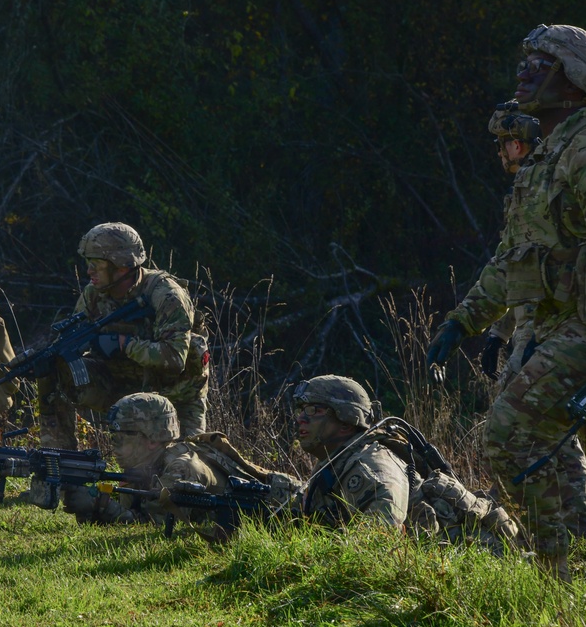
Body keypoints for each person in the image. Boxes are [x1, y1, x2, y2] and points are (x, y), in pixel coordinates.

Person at [427, 24, 586, 590]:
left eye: (543, 62)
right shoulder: (545, 159)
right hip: (582, 330)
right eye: (525, 59)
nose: (525, 71)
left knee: (508, 433)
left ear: (576, 79)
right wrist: (463, 320)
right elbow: (514, 260)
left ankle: (558, 575)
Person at [481, 109, 586, 543]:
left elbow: (544, 268)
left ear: (515, 145)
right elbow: (519, 268)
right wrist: (500, 333)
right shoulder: (527, 189)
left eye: (502, 144)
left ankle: (568, 532)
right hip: (532, 331)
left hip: (556, 331)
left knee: (538, 433)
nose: (500, 153)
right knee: (538, 432)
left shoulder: (549, 187)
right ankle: (561, 529)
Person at [296, 375, 518, 551]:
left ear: (345, 421)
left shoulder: (372, 468)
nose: (300, 418)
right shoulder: (337, 458)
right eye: (301, 410)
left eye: (314, 410)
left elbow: (378, 540)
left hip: (472, 565)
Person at [38, 222, 209, 451]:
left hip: (175, 395)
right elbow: (74, 339)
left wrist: (124, 344)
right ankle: (59, 462)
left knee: (184, 467)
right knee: (54, 369)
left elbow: (175, 358)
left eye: (96, 265)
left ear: (121, 267)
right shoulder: (93, 295)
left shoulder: (166, 295)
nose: (89, 272)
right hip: (120, 383)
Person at [62, 392, 298, 538]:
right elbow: (134, 515)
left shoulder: (181, 469)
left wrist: (104, 507)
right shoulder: (146, 466)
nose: (114, 445)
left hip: (288, 515)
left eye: (120, 437)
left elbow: (156, 527)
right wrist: (89, 505)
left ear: (152, 439)